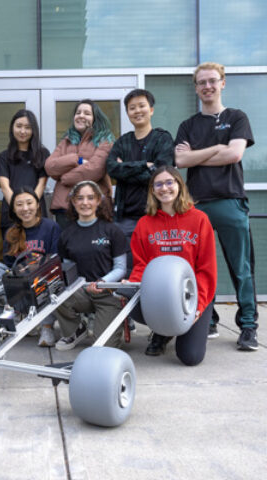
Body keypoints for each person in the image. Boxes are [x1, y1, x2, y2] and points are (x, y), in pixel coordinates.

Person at [175, 62, 258, 351]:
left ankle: (248, 326)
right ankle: (206, 319)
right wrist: (214, 150)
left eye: (212, 81)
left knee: (241, 268)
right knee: (197, 267)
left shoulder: (237, 117)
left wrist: (197, 155)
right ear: (196, 87)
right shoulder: (188, 125)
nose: (207, 86)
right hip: (195, 207)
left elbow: (234, 154)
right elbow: (181, 162)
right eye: (201, 82)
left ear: (223, 83)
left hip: (230, 202)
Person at [128, 166, 216, 366]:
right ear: (152, 190)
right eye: (158, 184)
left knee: (190, 357)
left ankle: (176, 329)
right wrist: (132, 285)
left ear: (179, 186)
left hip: (190, 296)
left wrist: (198, 306)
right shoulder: (144, 223)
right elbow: (141, 264)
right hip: (159, 296)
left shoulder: (200, 220)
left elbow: (206, 269)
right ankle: (162, 330)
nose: (164, 188)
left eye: (170, 182)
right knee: (127, 299)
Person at [106, 88, 174, 273]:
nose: (137, 111)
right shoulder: (122, 142)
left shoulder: (163, 138)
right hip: (125, 218)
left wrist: (126, 169)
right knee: (129, 270)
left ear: (151, 109)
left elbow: (161, 175)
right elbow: (112, 168)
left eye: (141, 106)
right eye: (132, 108)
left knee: (158, 267)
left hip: (155, 215)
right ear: (127, 113)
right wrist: (145, 165)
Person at [54, 180, 127, 351]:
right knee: (55, 292)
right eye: (80, 198)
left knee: (102, 348)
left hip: (108, 293)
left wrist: (102, 282)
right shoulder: (67, 235)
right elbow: (68, 270)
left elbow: (121, 268)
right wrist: (80, 286)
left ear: (98, 201)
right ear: (73, 202)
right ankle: (76, 330)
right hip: (82, 292)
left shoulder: (112, 231)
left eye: (90, 198)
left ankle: (117, 323)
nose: (85, 203)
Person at [3, 186, 61, 347]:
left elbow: (56, 258)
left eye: (29, 203)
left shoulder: (51, 227)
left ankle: (47, 326)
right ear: (14, 209)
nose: (25, 208)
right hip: (21, 282)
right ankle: (18, 320)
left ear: (37, 205)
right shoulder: (11, 232)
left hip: (45, 278)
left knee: (47, 284)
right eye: (19, 205)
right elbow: (8, 264)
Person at [45, 99, 115, 230]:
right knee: (68, 248)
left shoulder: (105, 141)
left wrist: (64, 178)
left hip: (94, 207)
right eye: (78, 112)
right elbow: (50, 167)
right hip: (64, 207)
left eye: (87, 113)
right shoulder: (66, 141)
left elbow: (94, 170)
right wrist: (76, 160)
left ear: (95, 118)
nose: (81, 115)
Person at [0, 109, 50, 236]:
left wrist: (29, 208)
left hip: (36, 213)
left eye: (27, 127)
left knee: (38, 253)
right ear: (12, 128)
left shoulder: (42, 154)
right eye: (19, 126)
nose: (23, 131)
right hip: (11, 214)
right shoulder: (4, 156)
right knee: (13, 253)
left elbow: (41, 184)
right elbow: (4, 186)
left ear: (34, 130)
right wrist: (18, 208)